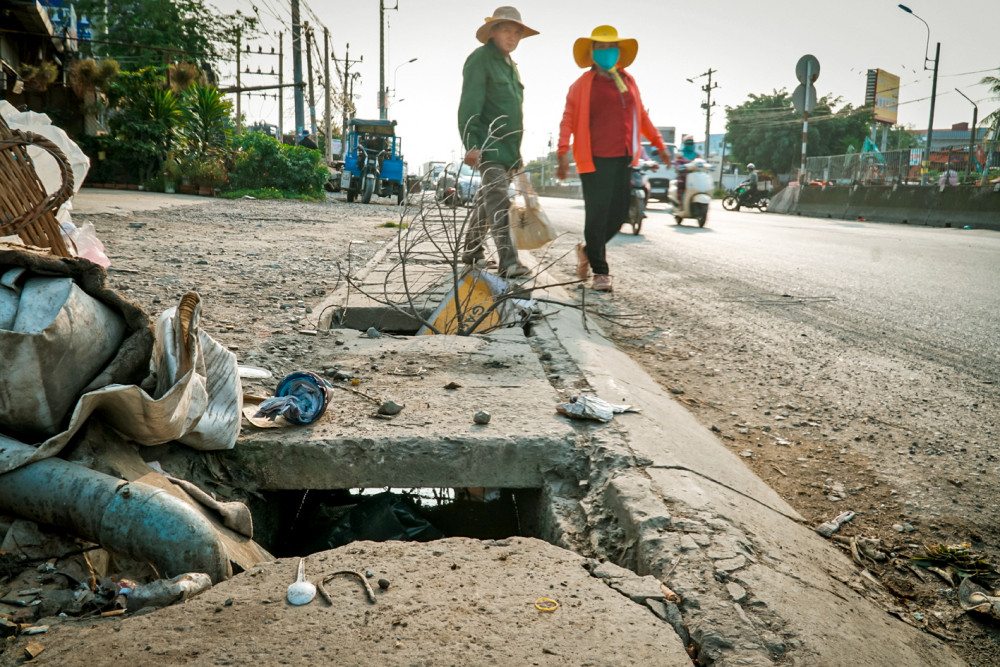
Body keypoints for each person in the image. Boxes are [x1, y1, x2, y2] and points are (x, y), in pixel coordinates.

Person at [556, 25, 669, 292]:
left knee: (619, 214)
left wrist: (659, 145)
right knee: (597, 215)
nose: (606, 51)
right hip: (594, 159)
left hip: (623, 159)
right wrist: (562, 151)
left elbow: (641, 117)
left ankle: (587, 250)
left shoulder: (628, 81)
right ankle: (600, 271)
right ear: (592, 52)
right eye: (601, 47)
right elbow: (568, 119)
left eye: (611, 47)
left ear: (618, 51)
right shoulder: (582, 85)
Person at [457, 6, 538, 278]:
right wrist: (471, 144)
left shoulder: (510, 66)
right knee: (499, 201)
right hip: (488, 145)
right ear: (493, 32)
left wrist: (517, 160)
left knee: (488, 199)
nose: (513, 36)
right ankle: (510, 262)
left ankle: (471, 250)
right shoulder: (480, 59)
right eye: (506, 29)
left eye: (517, 32)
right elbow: (470, 105)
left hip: (508, 150)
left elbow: (514, 115)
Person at [673, 135, 699, 206]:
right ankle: (680, 203)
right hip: (684, 175)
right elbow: (677, 163)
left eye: (692, 143)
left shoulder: (697, 155)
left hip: (695, 176)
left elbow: (702, 162)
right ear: (685, 144)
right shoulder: (680, 154)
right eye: (688, 143)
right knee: (681, 183)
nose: (690, 145)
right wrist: (679, 167)